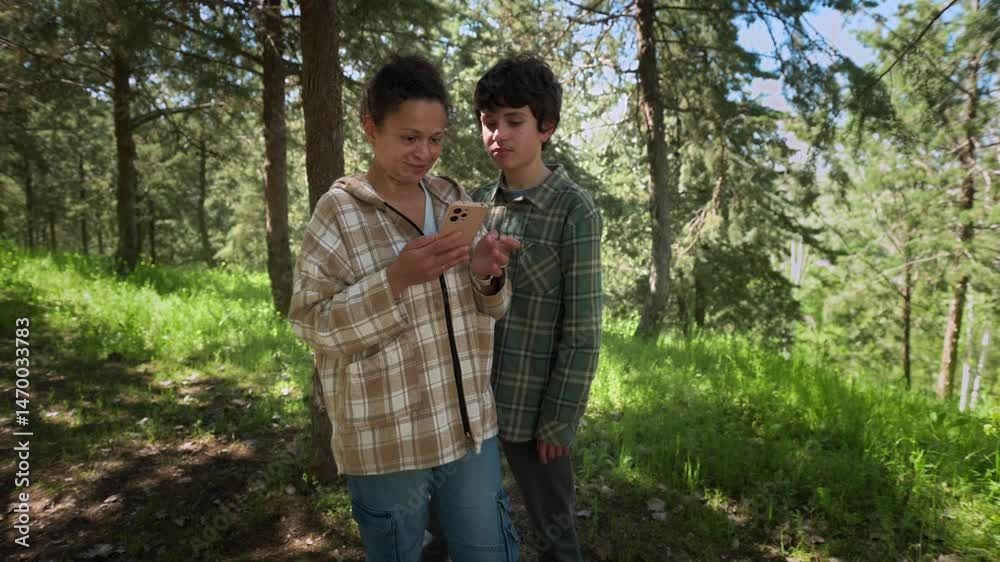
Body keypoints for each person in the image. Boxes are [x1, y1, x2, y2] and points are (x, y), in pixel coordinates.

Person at [288, 54, 521, 562]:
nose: (424, 153)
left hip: (468, 428)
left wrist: (486, 273)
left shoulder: (451, 198)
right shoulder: (339, 212)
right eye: (409, 137)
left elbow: (493, 308)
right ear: (371, 128)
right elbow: (310, 323)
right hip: (388, 438)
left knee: (488, 551)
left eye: (435, 139)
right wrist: (394, 280)